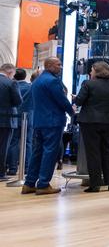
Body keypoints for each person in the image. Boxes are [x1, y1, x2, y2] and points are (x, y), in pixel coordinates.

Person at [23, 57, 74, 195]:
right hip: (53, 122)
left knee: (37, 152)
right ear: (50, 66)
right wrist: (72, 111)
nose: (60, 67)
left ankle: (29, 183)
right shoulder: (53, 81)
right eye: (58, 64)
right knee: (50, 153)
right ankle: (43, 184)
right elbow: (62, 101)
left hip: (39, 121)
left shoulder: (37, 80)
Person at [74, 61, 109, 192]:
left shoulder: (88, 84)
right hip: (108, 121)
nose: (90, 72)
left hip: (89, 121)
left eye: (91, 70)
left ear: (96, 71)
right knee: (107, 150)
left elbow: (79, 101)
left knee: (93, 152)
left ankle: (95, 184)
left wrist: (75, 98)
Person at [7, 68, 33, 175]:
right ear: (25, 76)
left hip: (14, 117)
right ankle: (27, 168)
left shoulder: (11, 86)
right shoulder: (30, 88)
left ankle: (12, 169)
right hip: (29, 118)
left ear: (14, 76)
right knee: (28, 143)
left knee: (13, 142)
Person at [0, 63, 21, 182]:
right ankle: (0, 174)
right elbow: (18, 101)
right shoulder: (11, 83)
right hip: (6, 119)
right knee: (3, 146)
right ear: (10, 72)